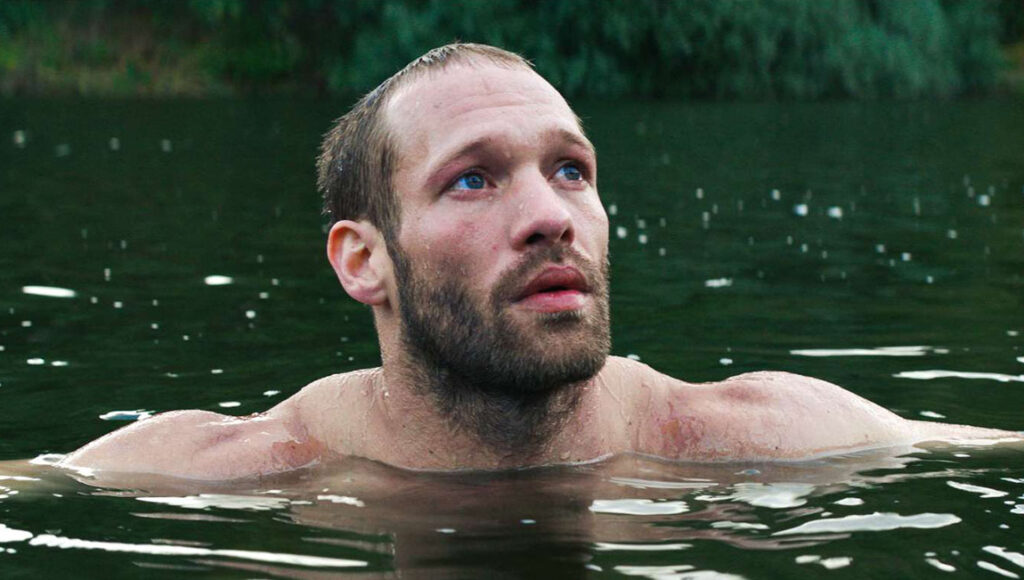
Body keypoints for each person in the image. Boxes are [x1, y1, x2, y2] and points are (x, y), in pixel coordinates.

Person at [59, 43, 1019, 480]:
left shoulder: (761, 438)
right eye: (472, 181)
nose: (548, 217)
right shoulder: (238, 474)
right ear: (363, 261)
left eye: (570, 169)